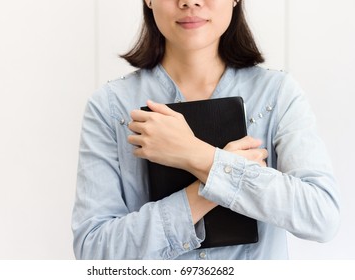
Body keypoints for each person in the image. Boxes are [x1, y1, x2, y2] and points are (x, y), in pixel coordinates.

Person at [71, 0, 340, 259]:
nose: (190, 2)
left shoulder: (277, 94)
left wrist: (195, 154)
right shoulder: (110, 106)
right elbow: (94, 251)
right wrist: (212, 184)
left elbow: (321, 217)